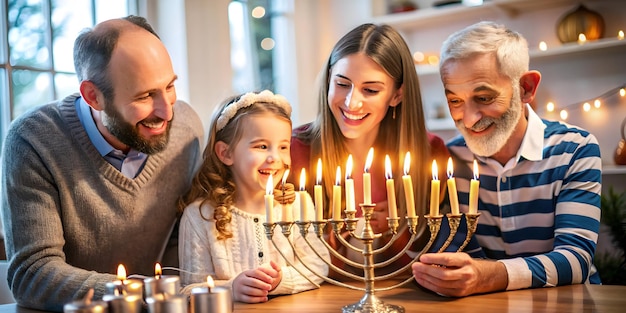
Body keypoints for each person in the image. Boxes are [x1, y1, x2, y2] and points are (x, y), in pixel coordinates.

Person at [0, 16, 204, 310]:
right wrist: (142, 293)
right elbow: (32, 274)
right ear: (93, 96)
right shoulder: (33, 141)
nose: (167, 111)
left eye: (170, 86)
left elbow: (180, 238)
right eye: (146, 95)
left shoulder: (186, 127)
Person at [412, 21, 602, 296]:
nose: (468, 118)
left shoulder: (575, 149)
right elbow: (456, 256)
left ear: (526, 87)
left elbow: (575, 261)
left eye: (485, 97)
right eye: (455, 101)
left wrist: (488, 275)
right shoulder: (450, 160)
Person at [291, 23, 450, 276]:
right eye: (342, 84)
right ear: (328, 80)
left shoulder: (431, 154)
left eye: (370, 90)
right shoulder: (294, 151)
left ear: (397, 95)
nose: (351, 102)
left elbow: (436, 256)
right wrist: (335, 232)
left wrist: (397, 231)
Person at [178, 90, 329, 303]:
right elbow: (188, 290)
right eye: (262, 146)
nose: (275, 157)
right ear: (226, 153)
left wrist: (280, 281)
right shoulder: (199, 216)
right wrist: (231, 288)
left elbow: (318, 265)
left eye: (283, 147)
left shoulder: (299, 204)